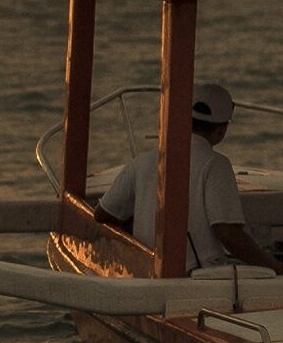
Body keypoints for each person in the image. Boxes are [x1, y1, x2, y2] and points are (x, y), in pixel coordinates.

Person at [99, 81, 269, 270]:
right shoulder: (216, 164)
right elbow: (227, 232)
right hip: (198, 276)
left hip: (147, 271)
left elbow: (103, 213)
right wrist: (276, 267)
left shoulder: (143, 161)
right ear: (222, 130)